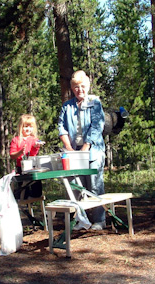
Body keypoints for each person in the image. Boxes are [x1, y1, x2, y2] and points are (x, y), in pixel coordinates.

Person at [58, 70, 106, 230]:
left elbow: (96, 126)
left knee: (94, 187)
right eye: (76, 87)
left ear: (88, 86)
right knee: (75, 187)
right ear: (72, 88)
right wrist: (70, 149)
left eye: (83, 86)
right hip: (73, 153)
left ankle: (99, 220)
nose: (80, 90)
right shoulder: (67, 106)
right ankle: (80, 220)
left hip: (93, 151)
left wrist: (86, 148)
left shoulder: (95, 102)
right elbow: (62, 127)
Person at [10, 114, 43, 198]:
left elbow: (33, 155)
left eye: (30, 127)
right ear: (21, 127)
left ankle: (32, 199)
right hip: (21, 168)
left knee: (37, 192)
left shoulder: (34, 140)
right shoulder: (16, 140)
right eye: (25, 126)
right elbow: (12, 155)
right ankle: (21, 199)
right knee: (23, 192)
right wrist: (20, 152)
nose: (28, 129)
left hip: (33, 167)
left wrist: (35, 147)